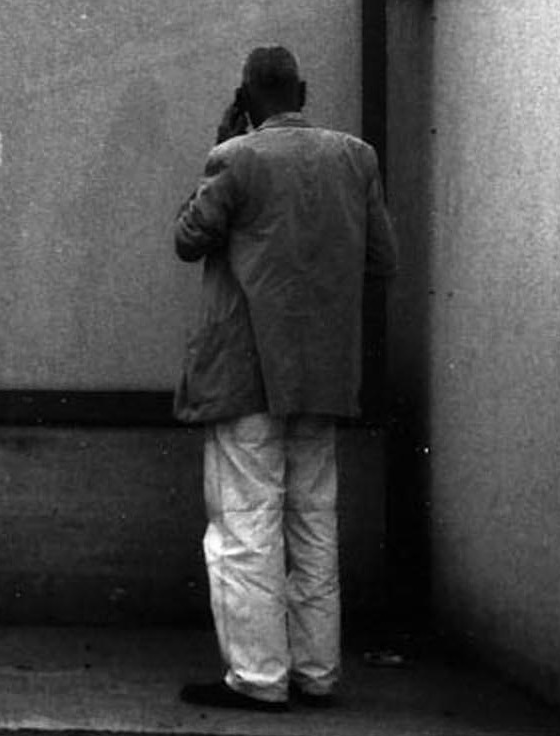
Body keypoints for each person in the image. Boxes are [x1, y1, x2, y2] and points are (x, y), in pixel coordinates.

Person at [171, 45, 396, 713]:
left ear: (245, 98)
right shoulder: (355, 157)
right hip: (323, 373)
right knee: (313, 525)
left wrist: (218, 148)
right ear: (303, 90)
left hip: (247, 374)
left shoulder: (234, 158)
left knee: (246, 525)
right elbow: (381, 258)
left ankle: (257, 677)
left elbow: (187, 238)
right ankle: (317, 672)